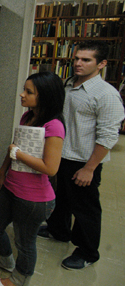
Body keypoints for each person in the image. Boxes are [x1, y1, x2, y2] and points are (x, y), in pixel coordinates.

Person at [38, 41, 124, 270]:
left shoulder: (106, 95)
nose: (78, 63)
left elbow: (107, 137)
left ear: (101, 64)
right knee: (61, 199)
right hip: (61, 155)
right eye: (76, 58)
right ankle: (58, 230)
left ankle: (87, 252)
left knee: (85, 208)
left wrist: (90, 168)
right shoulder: (69, 84)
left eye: (86, 60)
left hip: (83, 161)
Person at [0, 71, 66, 286]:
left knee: (24, 242)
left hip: (34, 199)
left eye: (29, 92)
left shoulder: (54, 126)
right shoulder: (27, 117)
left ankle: (19, 280)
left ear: (46, 96)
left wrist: (18, 154)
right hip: (11, 187)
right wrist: (3, 169)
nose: (22, 95)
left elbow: (50, 168)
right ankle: (5, 260)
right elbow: (14, 147)